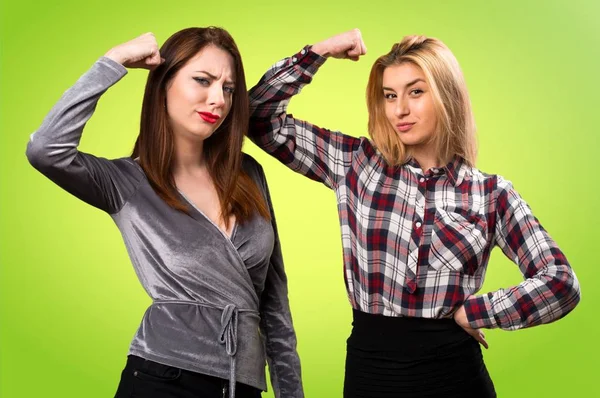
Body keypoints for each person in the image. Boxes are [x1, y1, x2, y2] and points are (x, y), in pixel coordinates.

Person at [248, 29, 581, 397]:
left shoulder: (489, 194)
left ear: (447, 94)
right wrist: (318, 52)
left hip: (456, 377)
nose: (399, 110)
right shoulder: (356, 163)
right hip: (370, 374)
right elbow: (258, 118)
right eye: (390, 96)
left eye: (415, 92)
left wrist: (478, 312)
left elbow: (561, 283)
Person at [26, 27, 303, 398]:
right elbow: (46, 149)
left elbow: (274, 299)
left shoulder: (248, 173)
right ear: (164, 84)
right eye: (202, 81)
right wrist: (114, 60)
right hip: (162, 377)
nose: (217, 99)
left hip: (243, 384)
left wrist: (290, 391)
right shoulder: (126, 183)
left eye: (228, 88)